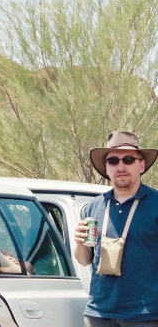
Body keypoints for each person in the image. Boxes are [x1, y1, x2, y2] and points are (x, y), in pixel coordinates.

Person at [74, 131, 158, 327]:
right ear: (106, 167)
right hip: (98, 313)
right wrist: (79, 243)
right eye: (113, 160)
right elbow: (85, 260)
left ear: (141, 165)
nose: (120, 166)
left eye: (128, 159)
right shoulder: (93, 207)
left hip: (144, 315)